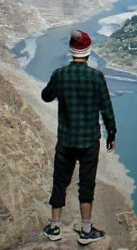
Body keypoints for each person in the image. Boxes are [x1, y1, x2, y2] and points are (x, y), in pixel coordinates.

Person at [40, 30, 117, 244]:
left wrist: (57, 89)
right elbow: (106, 108)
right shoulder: (96, 77)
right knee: (86, 184)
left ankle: (54, 227)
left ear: (71, 50)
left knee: (60, 181)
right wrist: (111, 133)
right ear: (89, 52)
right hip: (89, 140)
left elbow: (46, 96)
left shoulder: (60, 74)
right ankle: (85, 230)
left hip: (66, 140)